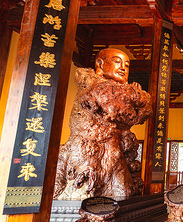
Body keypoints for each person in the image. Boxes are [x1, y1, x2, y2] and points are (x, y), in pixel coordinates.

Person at [54, 48, 152, 199]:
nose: (123, 68)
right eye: (117, 62)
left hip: (114, 156)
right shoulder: (93, 86)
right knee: (84, 193)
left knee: (124, 193)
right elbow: (116, 105)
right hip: (87, 156)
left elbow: (144, 112)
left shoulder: (113, 88)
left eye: (126, 65)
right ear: (100, 64)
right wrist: (136, 94)